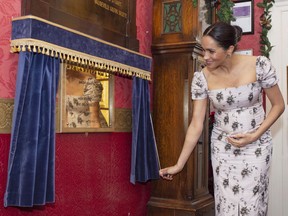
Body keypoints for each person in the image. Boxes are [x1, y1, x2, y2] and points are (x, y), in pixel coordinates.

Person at [159, 22, 285, 215]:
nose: (205, 57)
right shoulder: (202, 78)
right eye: (203, 50)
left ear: (230, 49)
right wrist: (179, 164)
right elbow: (196, 124)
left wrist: (255, 136)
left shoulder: (259, 65)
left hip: (256, 147)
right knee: (226, 205)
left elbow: (279, 105)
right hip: (223, 150)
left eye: (211, 51)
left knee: (251, 206)